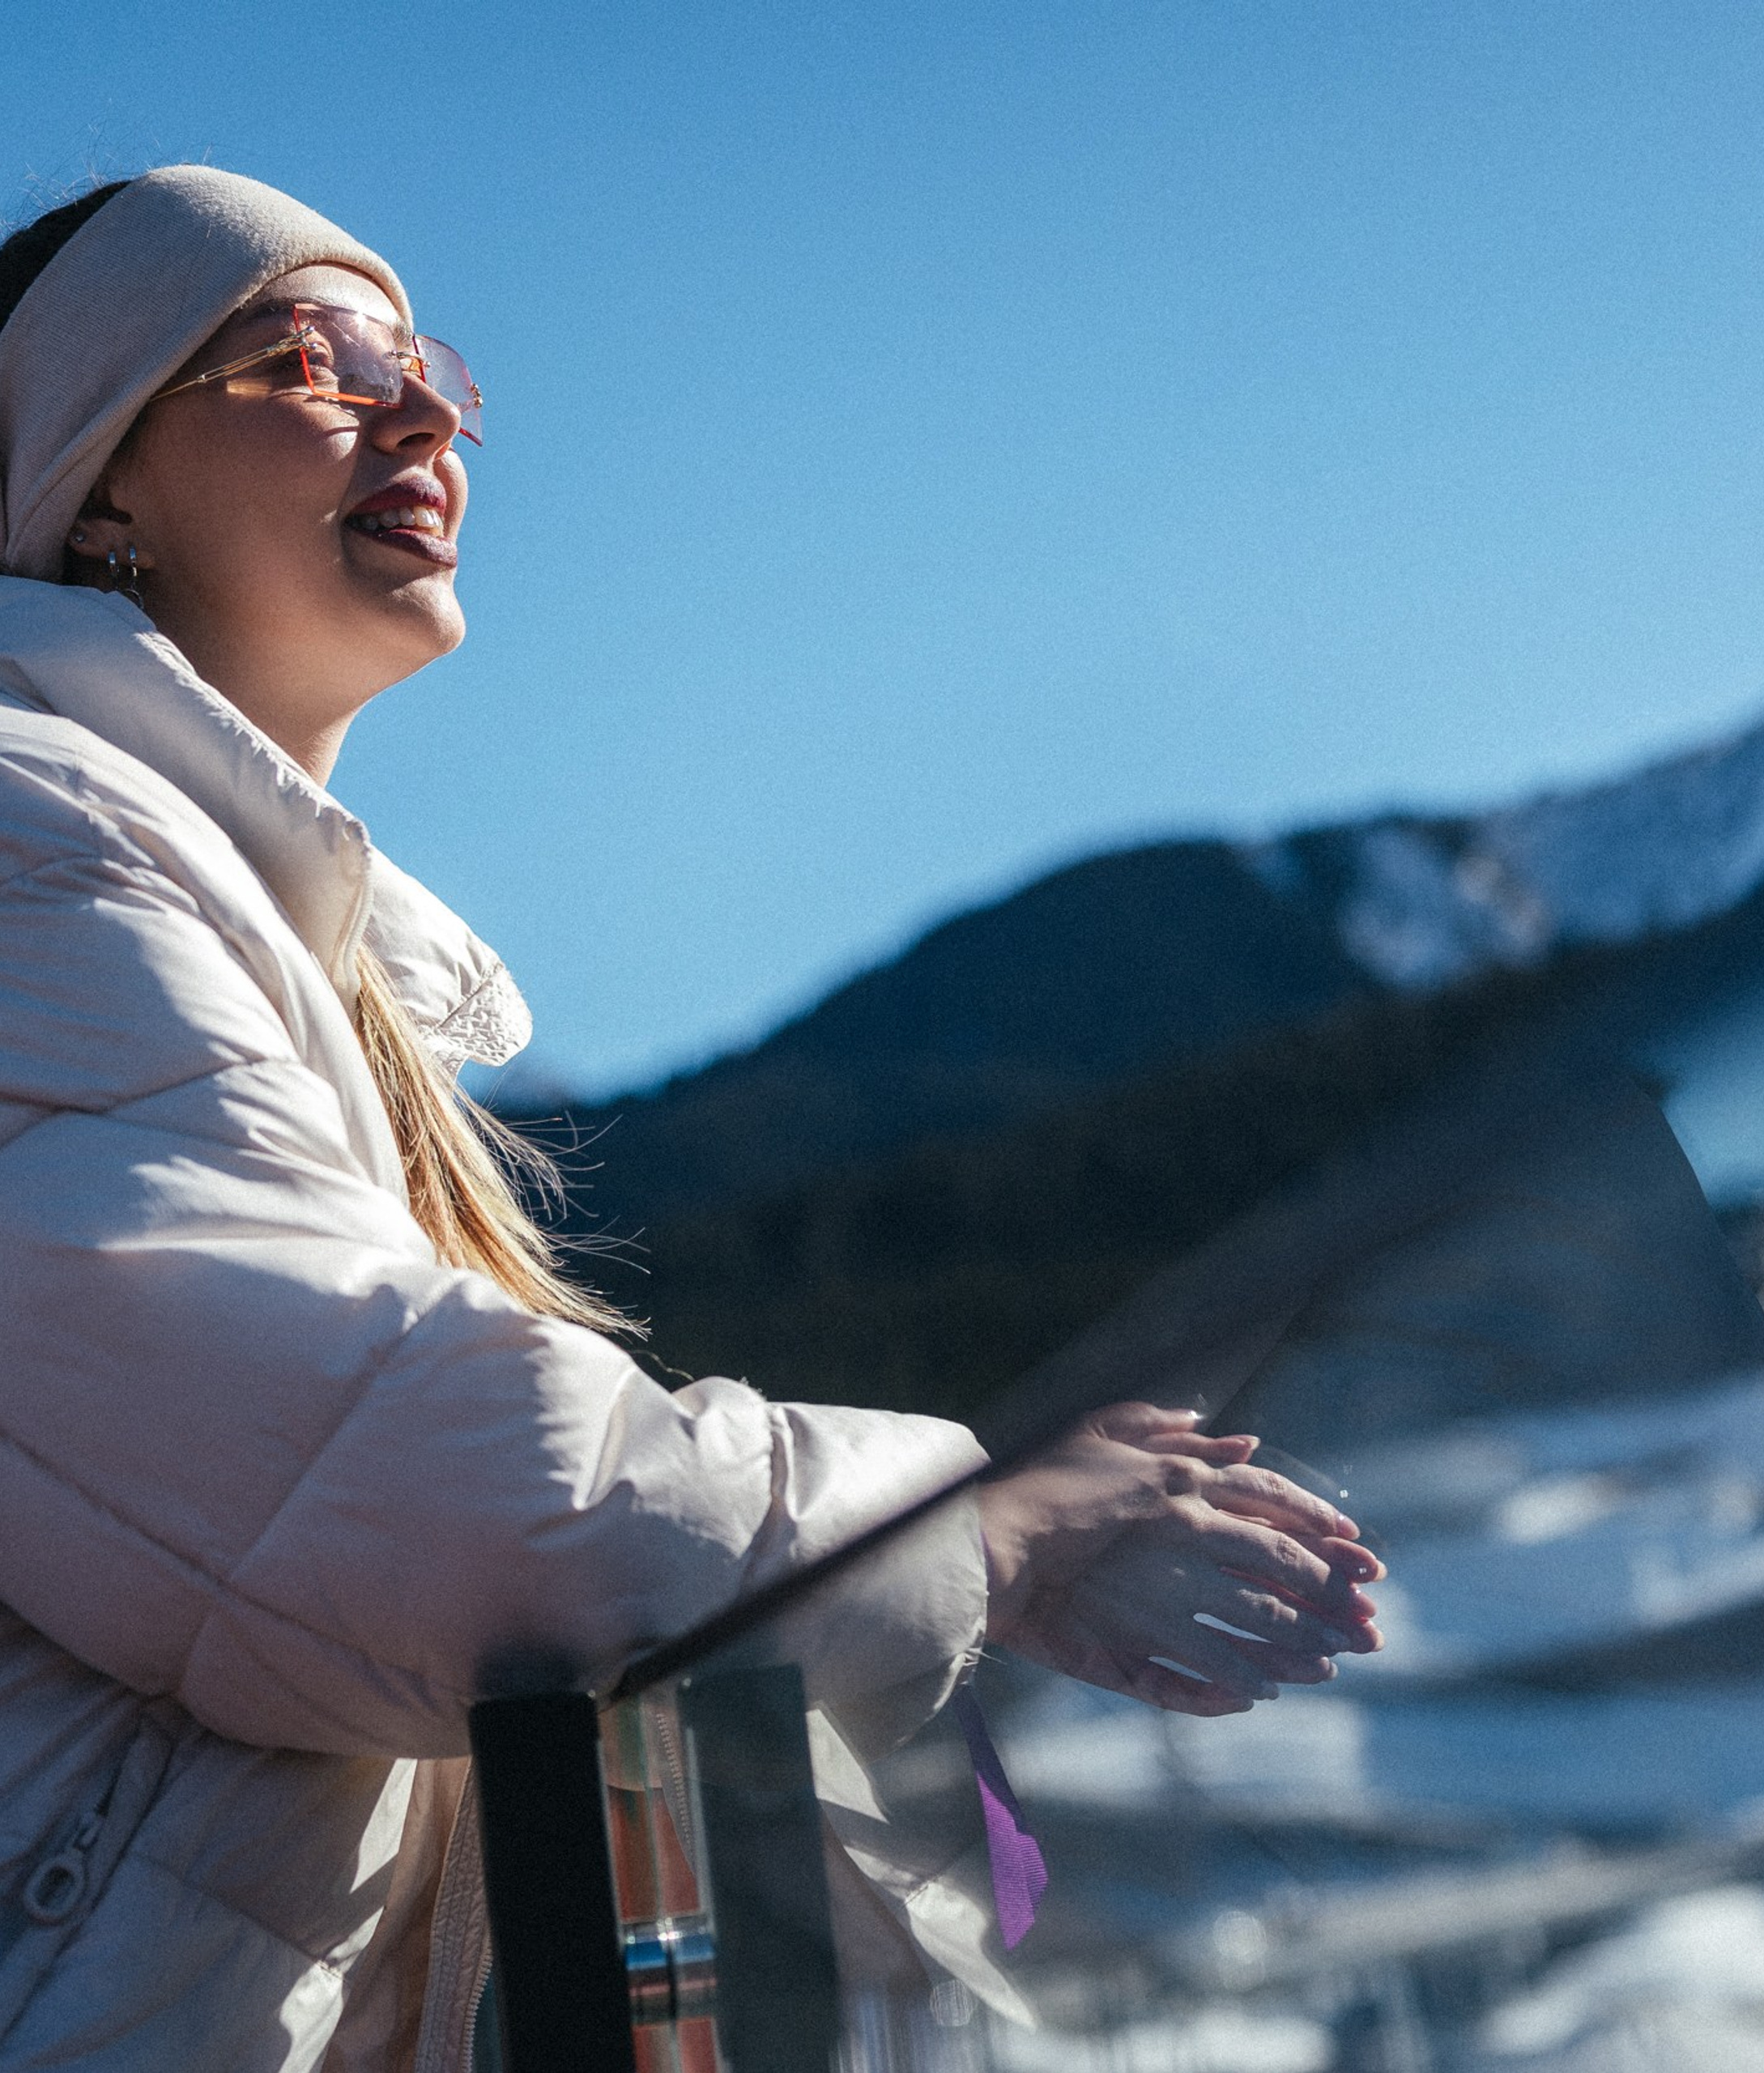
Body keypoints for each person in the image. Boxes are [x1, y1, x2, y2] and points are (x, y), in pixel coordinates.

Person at [0, 167, 1382, 2071]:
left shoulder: (225, 918)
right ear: (90, 481)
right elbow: (433, 1501)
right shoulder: (24, 842)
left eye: (429, 370)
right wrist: (987, 1525)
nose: (416, 414)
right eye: (305, 357)